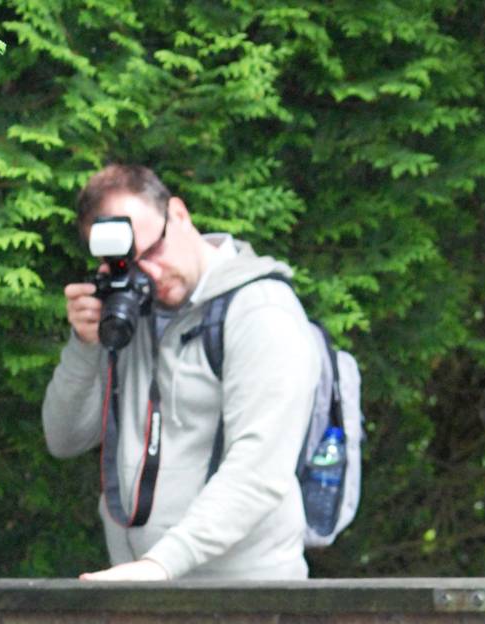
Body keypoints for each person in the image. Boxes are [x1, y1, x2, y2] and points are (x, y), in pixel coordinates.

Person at [41, 163, 321, 581]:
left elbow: (259, 470)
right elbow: (64, 439)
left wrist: (159, 565)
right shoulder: (132, 313)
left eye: (152, 251)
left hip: (250, 600)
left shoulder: (261, 310)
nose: (148, 273)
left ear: (179, 214)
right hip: (145, 589)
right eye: (128, 264)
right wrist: (84, 347)